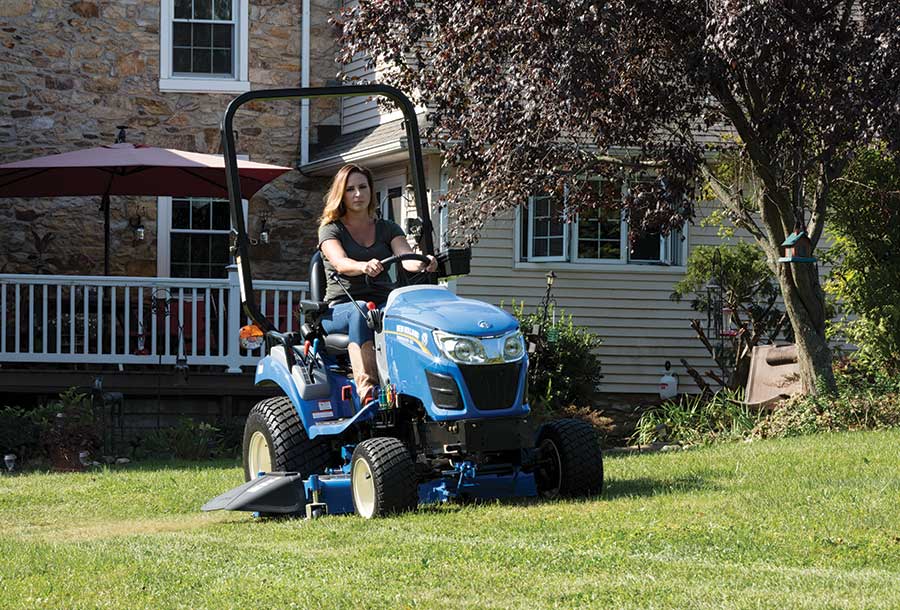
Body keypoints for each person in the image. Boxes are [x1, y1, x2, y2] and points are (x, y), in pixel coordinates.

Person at [318, 164, 437, 407]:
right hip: (340, 308)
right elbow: (340, 262)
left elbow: (406, 259)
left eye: (363, 187)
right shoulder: (330, 229)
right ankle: (368, 390)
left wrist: (424, 262)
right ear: (341, 194)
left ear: (371, 191)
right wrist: (363, 266)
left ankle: (417, 386)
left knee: (410, 314)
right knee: (362, 310)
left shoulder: (387, 228)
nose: (358, 194)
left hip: (383, 304)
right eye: (350, 189)